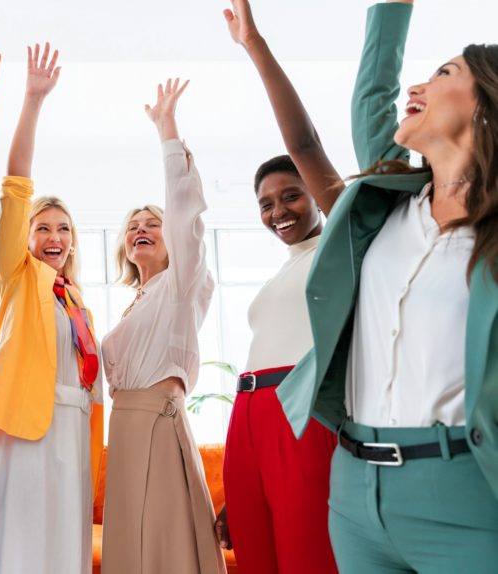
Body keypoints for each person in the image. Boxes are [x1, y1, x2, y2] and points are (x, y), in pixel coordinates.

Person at [277, 1, 498, 572]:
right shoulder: (387, 198)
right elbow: (372, 94)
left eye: (445, 73)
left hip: (463, 493)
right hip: (353, 492)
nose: (418, 86)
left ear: (487, 108)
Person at [0, 43, 104, 574]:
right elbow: (16, 182)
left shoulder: (77, 301)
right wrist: (32, 100)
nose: (54, 236)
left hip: (72, 432)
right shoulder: (15, 276)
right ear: (23, 236)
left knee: (59, 549)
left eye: (63, 228)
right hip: (24, 429)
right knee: (17, 547)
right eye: (42, 226)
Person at [213, 1, 343, 572]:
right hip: (247, 417)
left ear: (315, 194)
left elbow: (304, 143)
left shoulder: (341, 244)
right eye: (265, 204)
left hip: (301, 409)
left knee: (307, 552)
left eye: (291, 195)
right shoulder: (284, 269)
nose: (279, 210)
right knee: (256, 555)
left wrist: (253, 45)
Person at [100, 78, 226, 574]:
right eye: (132, 227)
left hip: (156, 420)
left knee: (164, 544)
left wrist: (167, 131)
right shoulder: (136, 302)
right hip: (124, 426)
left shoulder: (181, 283)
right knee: (131, 547)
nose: (141, 231)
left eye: (151, 224)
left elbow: (184, 211)